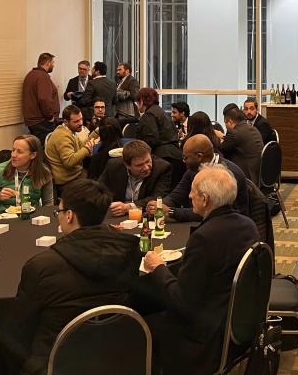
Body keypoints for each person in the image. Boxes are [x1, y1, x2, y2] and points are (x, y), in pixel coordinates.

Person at [15, 179, 143, 375]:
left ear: (69, 215)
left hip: (57, 361)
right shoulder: (130, 251)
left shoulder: (41, 266)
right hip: (117, 353)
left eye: (59, 211)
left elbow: (23, 325)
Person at [143, 165, 260, 375]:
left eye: (193, 191)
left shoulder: (205, 237)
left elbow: (182, 301)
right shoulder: (248, 225)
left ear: (204, 199)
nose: (188, 195)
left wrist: (158, 268)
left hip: (205, 334)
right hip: (236, 319)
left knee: (144, 320)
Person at [159, 134, 249, 222]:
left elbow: (211, 212)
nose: (184, 161)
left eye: (185, 158)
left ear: (199, 156)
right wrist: (160, 206)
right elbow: (177, 195)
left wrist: (171, 212)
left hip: (229, 225)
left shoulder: (228, 174)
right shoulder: (194, 169)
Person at [0, 135, 54, 213]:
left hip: (32, 217)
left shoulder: (44, 172)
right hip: (4, 218)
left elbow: (48, 204)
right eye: (13, 150)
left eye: (19, 152)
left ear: (33, 155)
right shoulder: (0, 170)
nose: (13, 155)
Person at [99, 140, 172, 215]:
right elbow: (99, 190)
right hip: (115, 215)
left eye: (148, 161)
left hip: (145, 216)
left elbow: (157, 198)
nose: (146, 168)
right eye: (139, 165)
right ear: (127, 165)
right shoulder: (113, 166)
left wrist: (129, 207)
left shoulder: (162, 168)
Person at [45, 105, 98, 197]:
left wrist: (95, 133)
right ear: (66, 121)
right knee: (97, 190)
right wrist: (87, 149)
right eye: (76, 121)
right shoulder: (62, 137)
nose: (81, 123)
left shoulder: (68, 131)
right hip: (67, 181)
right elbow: (69, 162)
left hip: (75, 175)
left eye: (81, 119)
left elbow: (80, 147)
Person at [131, 87, 182, 161]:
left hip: (162, 157)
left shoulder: (149, 115)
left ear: (141, 101)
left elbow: (151, 140)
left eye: (137, 101)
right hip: (175, 154)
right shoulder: (161, 112)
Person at [21, 52, 60, 144]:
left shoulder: (30, 75)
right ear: (48, 63)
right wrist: (50, 117)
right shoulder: (43, 77)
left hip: (32, 121)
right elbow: (44, 99)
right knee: (46, 148)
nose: (53, 65)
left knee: (37, 147)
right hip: (42, 122)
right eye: (53, 63)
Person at [220, 107, 264, 183]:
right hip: (258, 173)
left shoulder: (235, 132)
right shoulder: (253, 128)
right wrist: (224, 137)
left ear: (230, 122)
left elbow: (222, 149)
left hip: (246, 176)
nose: (226, 126)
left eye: (225, 123)